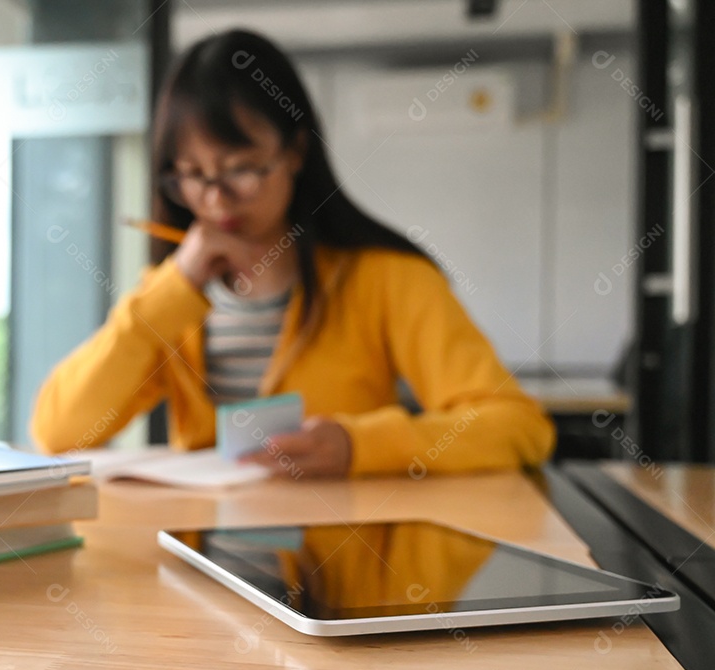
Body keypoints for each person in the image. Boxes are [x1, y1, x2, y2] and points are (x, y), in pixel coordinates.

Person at [30, 29, 555, 478]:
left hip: (341, 572)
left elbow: (517, 426)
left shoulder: (385, 278)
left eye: (240, 168)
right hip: (203, 572)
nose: (214, 198)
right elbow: (59, 433)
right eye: (191, 174)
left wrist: (358, 447)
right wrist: (172, 290)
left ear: (296, 152)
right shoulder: (170, 296)